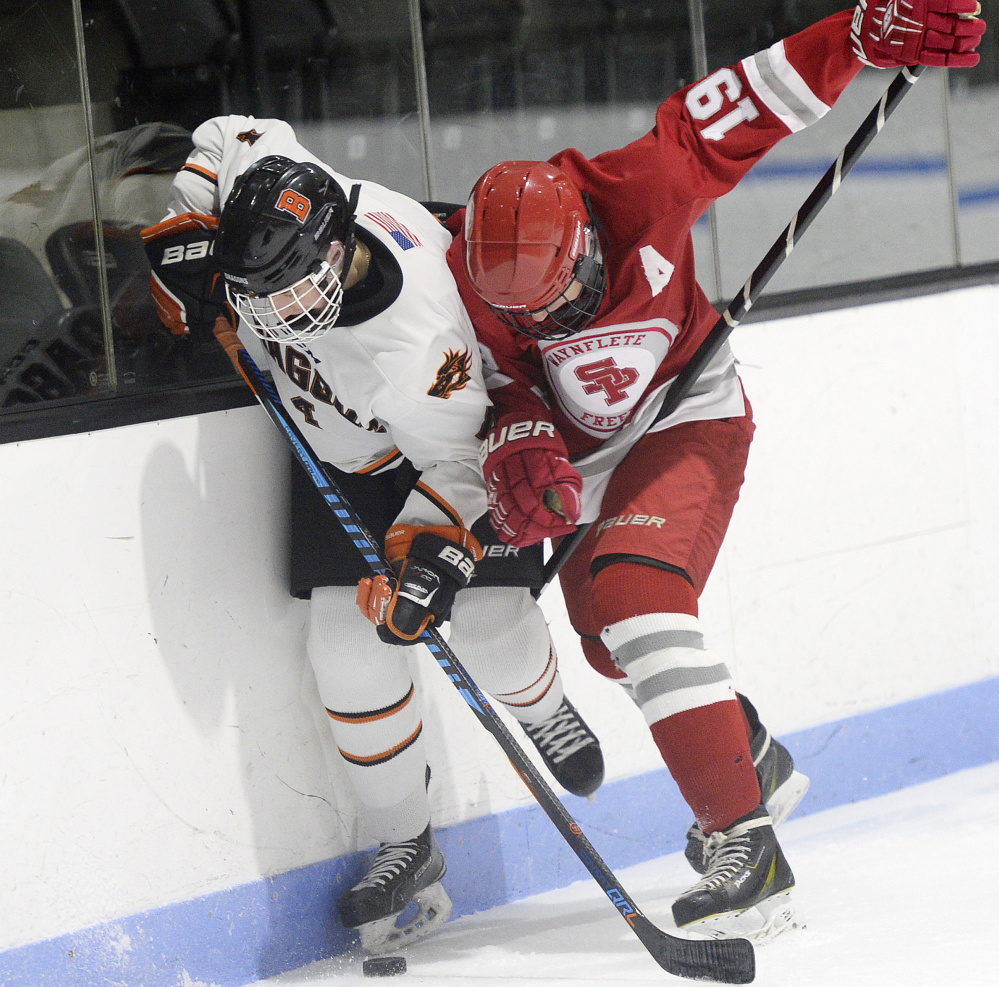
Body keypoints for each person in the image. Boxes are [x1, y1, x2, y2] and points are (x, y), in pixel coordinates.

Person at [446, 0, 985, 943]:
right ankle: (752, 757)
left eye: (565, 294)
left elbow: (751, 100)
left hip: (688, 412)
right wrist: (519, 430)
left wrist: (855, 36)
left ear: (582, 239)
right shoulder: (463, 278)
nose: (552, 324)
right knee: (614, 645)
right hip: (588, 456)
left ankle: (743, 839)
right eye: (528, 316)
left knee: (639, 601)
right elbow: (495, 381)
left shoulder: (642, 183)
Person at [140, 117, 605, 953]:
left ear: (335, 252)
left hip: (446, 451)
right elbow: (229, 131)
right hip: (341, 443)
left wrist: (421, 565)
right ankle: (407, 841)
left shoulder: (421, 344)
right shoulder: (284, 185)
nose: (266, 317)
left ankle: (546, 709)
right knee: (345, 652)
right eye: (255, 295)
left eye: (280, 295)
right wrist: (185, 222)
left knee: (493, 631)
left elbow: (459, 468)